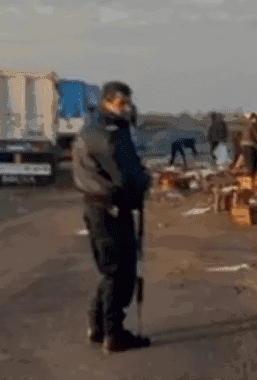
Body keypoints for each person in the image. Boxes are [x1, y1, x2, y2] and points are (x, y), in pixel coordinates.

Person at [72, 81, 151, 354]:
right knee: (119, 272)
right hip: (110, 207)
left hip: (106, 206)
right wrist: (143, 183)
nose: (126, 108)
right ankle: (113, 333)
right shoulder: (106, 133)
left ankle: (98, 326)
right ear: (107, 101)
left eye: (127, 102)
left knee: (111, 271)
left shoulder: (104, 126)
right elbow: (125, 173)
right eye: (121, 103)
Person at [241, 113, 257, 178]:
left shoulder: (246, 125)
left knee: (248, 163)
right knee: (253, 165)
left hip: (244, 145)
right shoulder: (254, 125)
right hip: (251, 145)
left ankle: (248, 179)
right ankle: (252, 180)